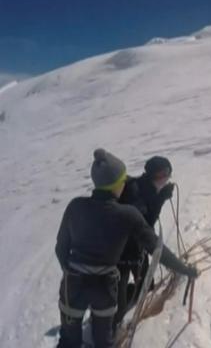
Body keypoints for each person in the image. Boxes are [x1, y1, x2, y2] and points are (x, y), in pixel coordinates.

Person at [55, 149, 197, 348]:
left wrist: (71, 272)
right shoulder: (127, 214)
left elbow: (61, 248)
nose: (125, 184)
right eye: (123, 180)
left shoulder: (75, 206)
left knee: (69, 342)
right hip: (104, 288)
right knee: (103, 342)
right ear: (116, 185)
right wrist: (184, 269)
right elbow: (157, 250)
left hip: (72, 287)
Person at [113, 156, 175, 329]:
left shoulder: (148, 187)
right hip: (122, 254)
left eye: (168, 174)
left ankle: (131, 300)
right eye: (162, 174)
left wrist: (159, 197)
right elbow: (144, 226)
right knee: (119, 307)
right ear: (152, 175)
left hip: (137, 250)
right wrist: (160, 199)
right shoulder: (135, 192)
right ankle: (113, 327)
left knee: (148, 287)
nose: (166, 178)